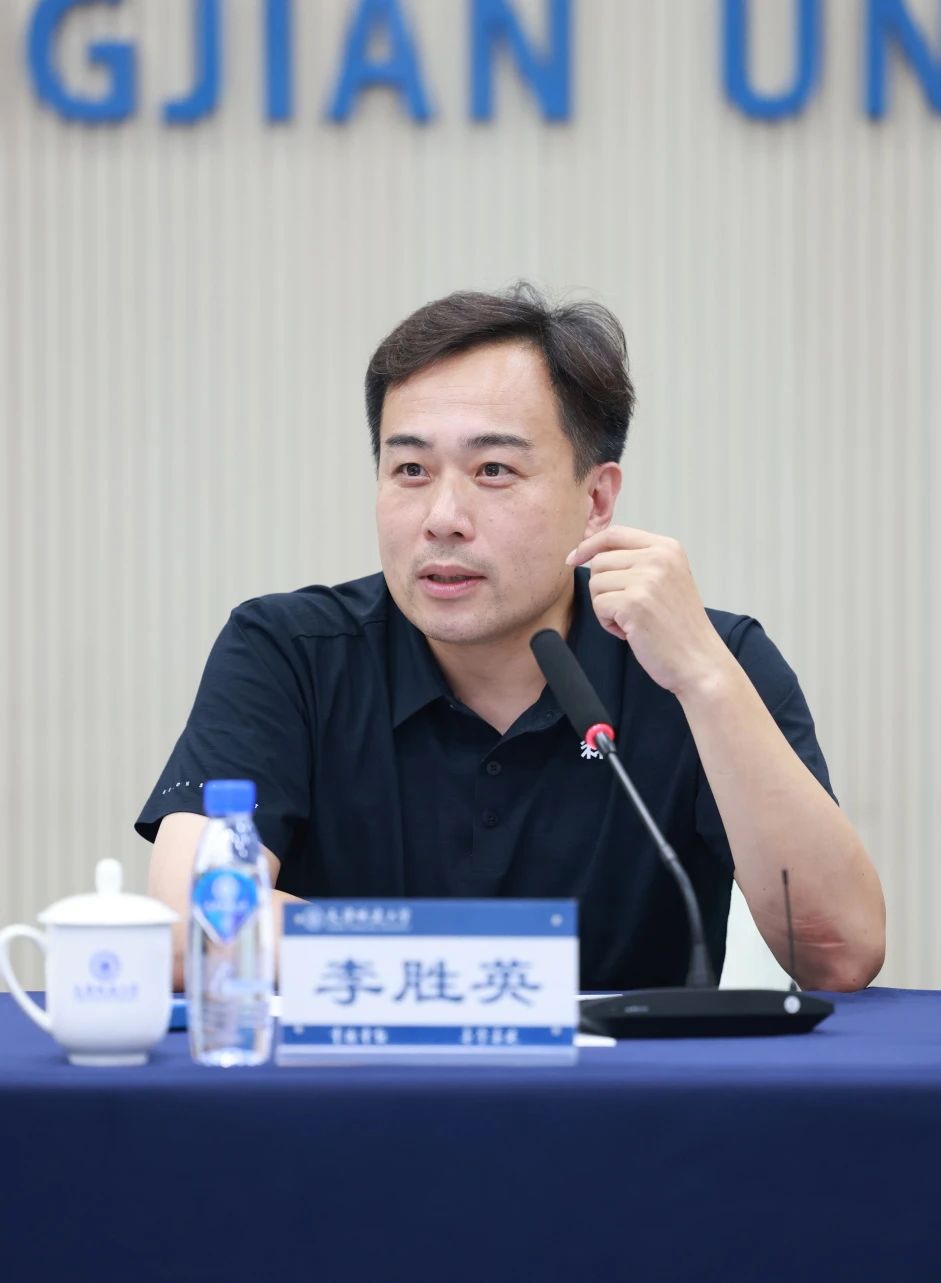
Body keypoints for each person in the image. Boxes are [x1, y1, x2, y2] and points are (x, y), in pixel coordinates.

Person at [137, 284, 885, 993]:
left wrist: (705, 680)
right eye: (409, 469)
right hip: (354, 1085)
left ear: (595, 499)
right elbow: (191, 924)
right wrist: (490, 973)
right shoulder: (289, 653)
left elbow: (839, 953)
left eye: (493, 469)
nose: (443, 517)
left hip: (626, 1090)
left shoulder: (707, 660)